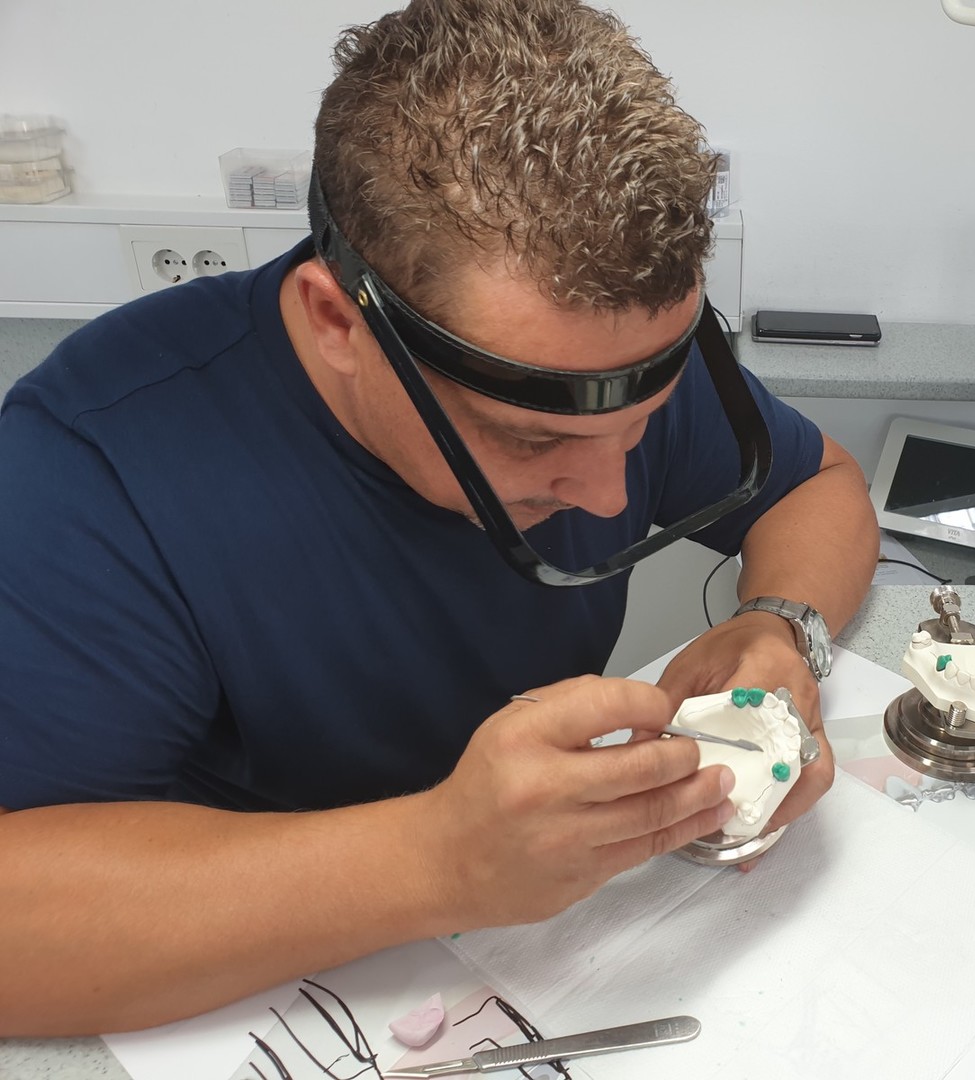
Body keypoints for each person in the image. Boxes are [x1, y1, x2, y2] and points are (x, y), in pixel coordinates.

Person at [0, 0, 878, 1038]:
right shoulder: (89, 471)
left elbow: (818, 485)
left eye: (644, 426)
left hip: (545, 954)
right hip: (261, 989)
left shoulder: (598, 368)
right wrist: (437, 863)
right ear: (338, 320)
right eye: (529, 441)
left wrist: (780, 623)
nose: (608, 495)